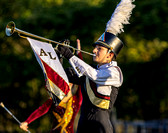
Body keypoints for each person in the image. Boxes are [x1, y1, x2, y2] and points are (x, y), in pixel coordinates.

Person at [56, 0, 135, 132]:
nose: (94, 51)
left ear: (110, 55)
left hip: (100, 128)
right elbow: (61, 75)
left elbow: (95, 76)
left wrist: (71, 56)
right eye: (95, 48)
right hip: (83, 127)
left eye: (99, 49)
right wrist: (58, 57)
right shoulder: (91, 71)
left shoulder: (115, 72)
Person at [20, 39, 83, 133]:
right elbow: (41, 110)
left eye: (69, 82)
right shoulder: (55, 99)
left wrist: (79, 54)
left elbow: (81, 75)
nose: (67, 84)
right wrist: (27, 121)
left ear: (72, 84)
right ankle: (58, 54)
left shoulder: (77, 100)